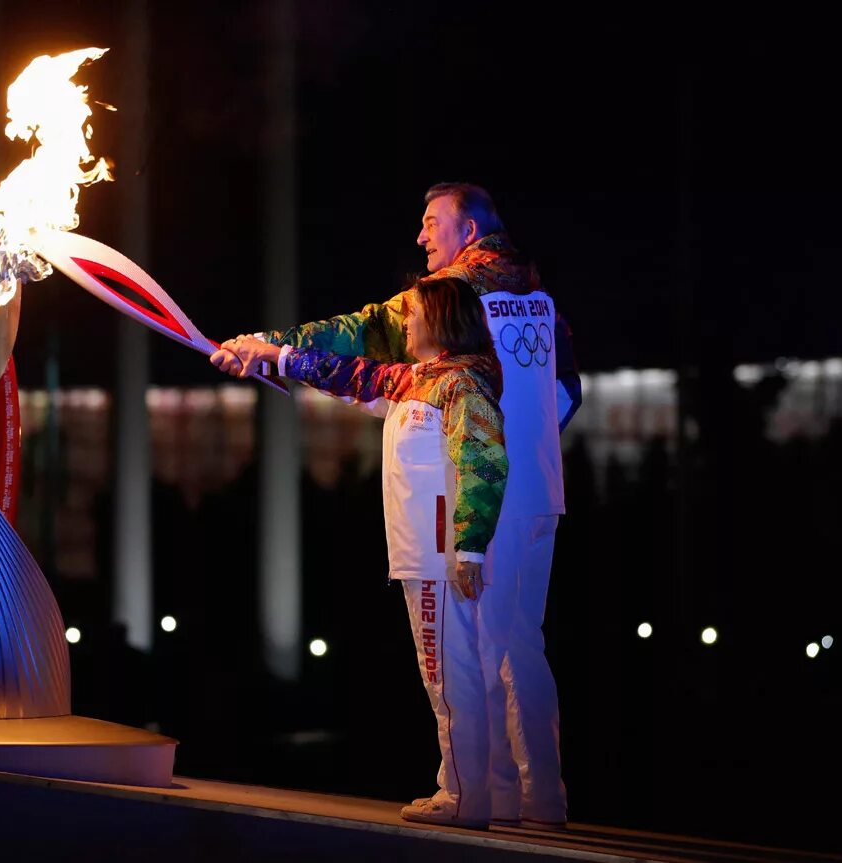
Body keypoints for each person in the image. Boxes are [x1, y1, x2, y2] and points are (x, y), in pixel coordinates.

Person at [217, 182, 580, 829]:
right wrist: (526, 448)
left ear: (468, 231)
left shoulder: (449, 297)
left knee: (470, 649)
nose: (421, 235)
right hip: (536, 492)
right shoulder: (542, 300)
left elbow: (358, 337)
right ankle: (537, 796)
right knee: (520, 643)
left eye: (431, 221)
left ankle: (478, 793)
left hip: (476, 496)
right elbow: (568, 392)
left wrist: (270, 346)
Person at [213, 277, 508, 828]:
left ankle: (465, 797)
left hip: (442, 557)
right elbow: (344, 374)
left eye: (413, 313)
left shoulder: (461, 384)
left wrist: (468, 547)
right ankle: (471, 790)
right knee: (447, 671)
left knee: (450, 672)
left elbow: (485, 462)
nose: (404, 323)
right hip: (425, 556)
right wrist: (265, 355)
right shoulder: (414, 380)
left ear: (441, 320)